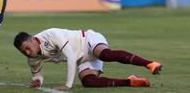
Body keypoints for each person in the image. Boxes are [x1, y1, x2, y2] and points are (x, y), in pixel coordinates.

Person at [13, 28, 162, 90]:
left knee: (105, 55)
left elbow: (70, 56)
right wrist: (38, 81)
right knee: (89, 83)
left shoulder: (51, 35)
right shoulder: (32, 59)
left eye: (27, 47)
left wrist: (68, 85)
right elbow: (38, 75)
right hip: (83, 59)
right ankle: (132, 81)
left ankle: (150, 64)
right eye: (23, 52)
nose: (27, 52)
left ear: (33, 39)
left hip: (89, 41)